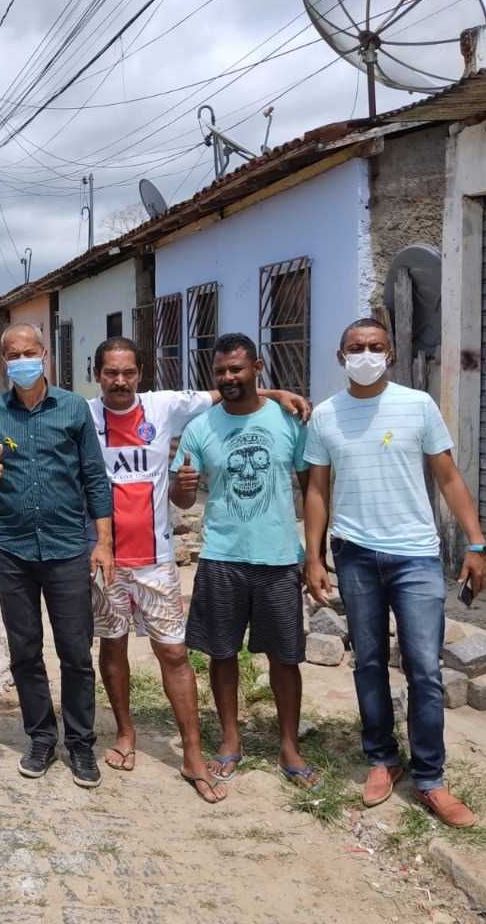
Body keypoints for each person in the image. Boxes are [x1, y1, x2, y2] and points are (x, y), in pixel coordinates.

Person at [0, 340, 309, 802]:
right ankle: (117, 735)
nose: (119, 381)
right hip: (96, 560)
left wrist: (273, 393)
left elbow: (227, 391)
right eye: (110, 373)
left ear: (140, 373)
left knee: (165, 654)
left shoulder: (156, 407)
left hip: (149, 559)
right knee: (102, 651)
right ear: (96, 373)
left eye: (128, 372)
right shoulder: (76, 412)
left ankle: (186, 752)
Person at [304, 318, 486, 828]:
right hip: (355, 553)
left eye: (375, 347)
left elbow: (449, 477)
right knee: (367, 662)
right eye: (356, 348)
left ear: (390, 354)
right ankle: (382, 758)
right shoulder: (325, 415)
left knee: (425, 670)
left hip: (415, 555)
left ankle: (430, 778)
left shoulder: (418, 405)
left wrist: (476, 542)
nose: (366, 354)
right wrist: (314, 557)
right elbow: (317, 490)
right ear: (340, 356)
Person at [0, 323, 114, 788]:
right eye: (13, 354)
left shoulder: (72, 409)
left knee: (75, 652)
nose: (22, 360)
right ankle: (41, 736)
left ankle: (81, 745)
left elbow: (94, 478)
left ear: (45, 355)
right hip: (12, 548)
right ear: (3, 360)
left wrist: (102, 541)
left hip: (67, 548)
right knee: (24, 651)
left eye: (30, 352)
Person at [170, 333, 316, 790]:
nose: (229, 378)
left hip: (277, 558)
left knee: (285, 657)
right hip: (221, 556)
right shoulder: (200, 428)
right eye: (220, 372)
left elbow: (312, 487)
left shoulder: (288, 419)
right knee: (221, 653)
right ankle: (231, 742)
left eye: (237, 368)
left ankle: (289, 746)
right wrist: (186, 486)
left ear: (257, 366)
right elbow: (180, 494)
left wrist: (315, 554)